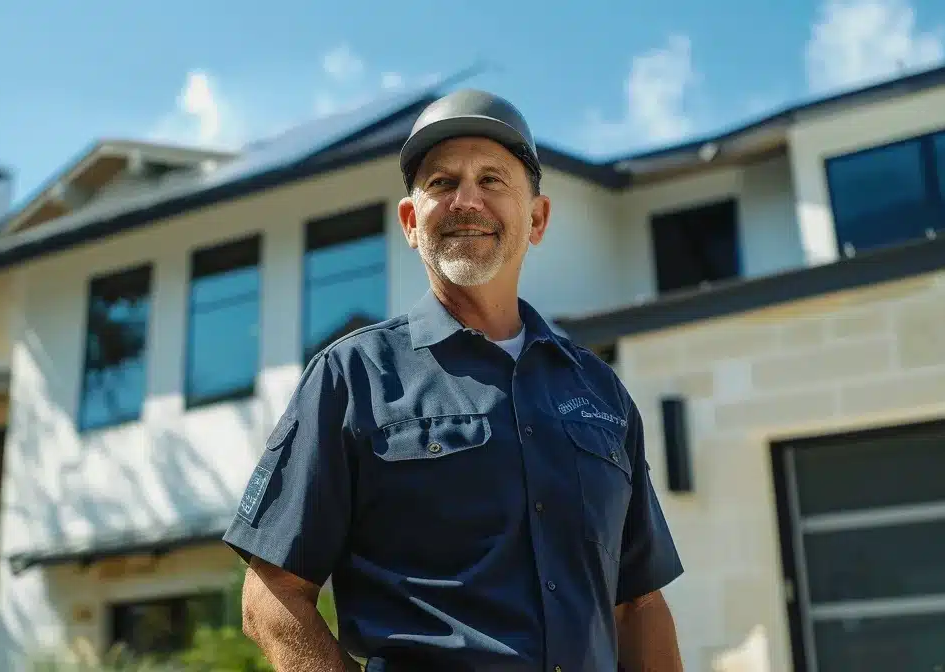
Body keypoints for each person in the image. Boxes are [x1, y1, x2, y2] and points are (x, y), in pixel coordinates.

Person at [221, 88, 685, 672]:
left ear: (536, 218)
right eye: (443, 183)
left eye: (493, 180)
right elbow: (271, 596)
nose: (467, 200)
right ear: (411, 222)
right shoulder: (351, 378)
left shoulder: (601, 392)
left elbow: (638, 605)